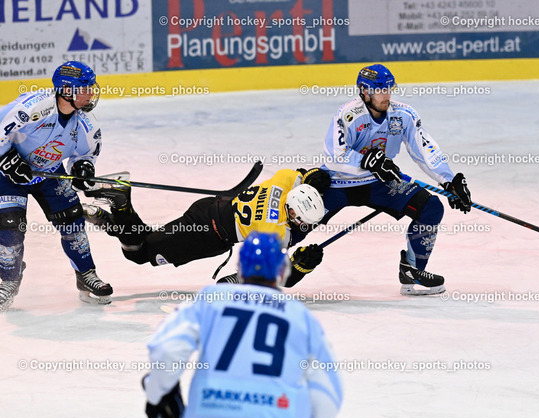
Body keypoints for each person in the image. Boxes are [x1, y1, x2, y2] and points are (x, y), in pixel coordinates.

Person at [142, 231, 343, 418]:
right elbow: (328, 392)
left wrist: (157, 393)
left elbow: (166, 350)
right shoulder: (300, 316)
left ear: (240, 268)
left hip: (209, 417)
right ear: (282, 271)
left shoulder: (210, 300)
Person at [317, 64, 472, 296]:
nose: (386, 94)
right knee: (301, 217)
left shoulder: (403, 115)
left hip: (381, 182)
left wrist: (448, 181)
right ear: (364, 91)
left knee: (430, 207)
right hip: (341, 182)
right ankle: (260, 267)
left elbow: (425, 149)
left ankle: (412, 271)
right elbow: (335, 156)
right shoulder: (348, 115)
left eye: (389, 88)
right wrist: (366, 161)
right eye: (380, 90)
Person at [84, 167, 330, 287]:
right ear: (293, 210)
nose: (302, 227)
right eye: (302, 221)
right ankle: (119, 203)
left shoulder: (284, 181)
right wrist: (300, 266)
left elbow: (303, 175)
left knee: (148, 239)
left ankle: (112, 220)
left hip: (209, 207)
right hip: (206, 235)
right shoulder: (275, 232)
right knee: (138, 254)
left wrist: (314, 176)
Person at [0, 61, 112, 310]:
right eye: (85, 89)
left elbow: (86, 153)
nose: (91, 94)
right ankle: (8, 279)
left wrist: (83, 168)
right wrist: (5, 158)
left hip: (48, 174)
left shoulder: (85, 123)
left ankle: (85, 274)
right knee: (10, 227)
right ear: (67, 91)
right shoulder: (32, 109)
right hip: (8, 177)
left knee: (72, 220)